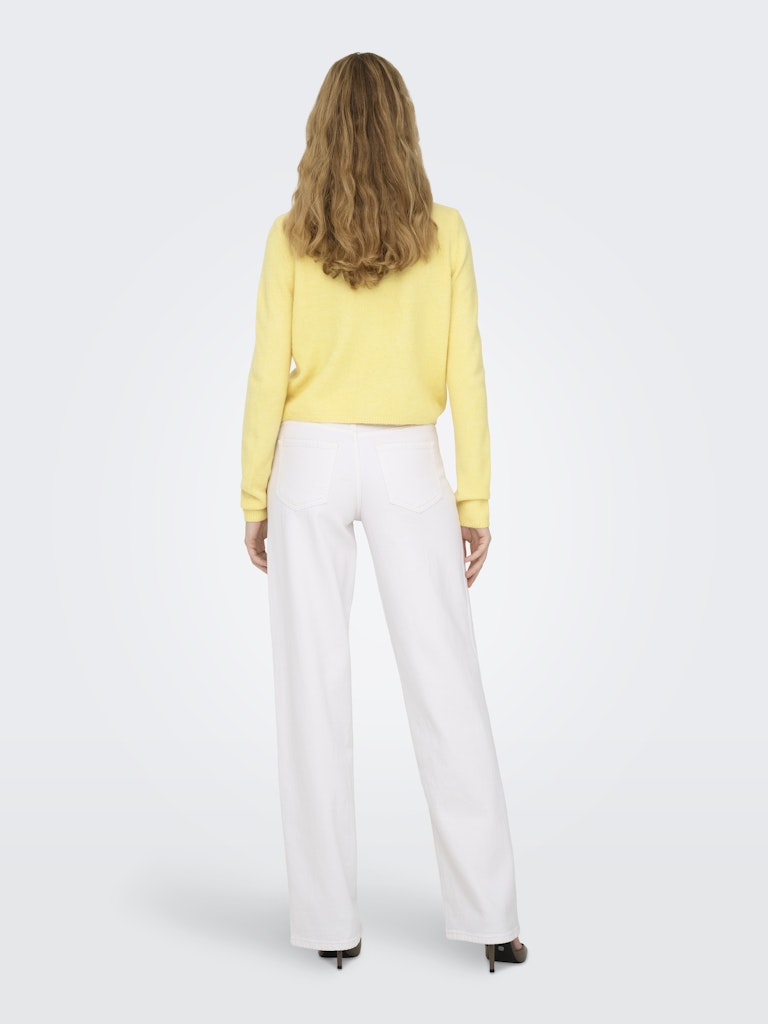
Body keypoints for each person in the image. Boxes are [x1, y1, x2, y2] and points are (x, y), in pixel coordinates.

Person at [240, 52, 527, 973]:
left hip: (309, 460)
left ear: (321, 130)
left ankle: (329, 924)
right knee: (449, 686)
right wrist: (473, 498)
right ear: (404, 126)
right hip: (409, 460)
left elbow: (266, 372)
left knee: (311, 691)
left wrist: (254, 496)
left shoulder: (291, 235)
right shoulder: (444, 232)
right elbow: (466, 371)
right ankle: (491, 918)